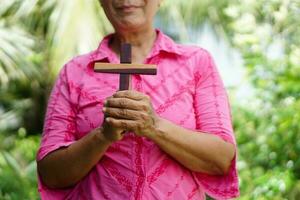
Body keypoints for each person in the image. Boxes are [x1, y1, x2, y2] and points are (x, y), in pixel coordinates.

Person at [36, 0, 239, 199]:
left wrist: (154, 126)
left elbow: (221, 159)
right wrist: (102, 136)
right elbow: (51, 174)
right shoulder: (74, 73)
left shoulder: (196, 62)